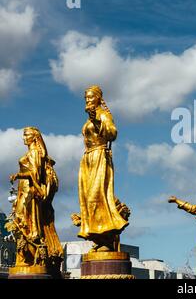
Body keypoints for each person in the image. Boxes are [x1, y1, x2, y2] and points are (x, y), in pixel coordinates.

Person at [76, 85, 129, 252]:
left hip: (100, 156)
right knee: (87, 200)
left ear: (99, 98)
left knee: (96, 197)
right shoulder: (89, 119)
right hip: (87, 160)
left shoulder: (103, 115)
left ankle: (106, 233)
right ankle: (98, 237)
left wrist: (96, 121)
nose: (88, 100)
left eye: (91, 97)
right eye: (86, 98)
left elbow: (112, 134)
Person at [8, 127, 63, 275]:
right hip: (24, 190)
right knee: (22, 220)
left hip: (29, 192)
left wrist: (18, 175)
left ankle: (32, 254)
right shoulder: (33, 152)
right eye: (23, 135)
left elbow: (35, 174)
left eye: (26, 135)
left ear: (34, 137)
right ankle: (26, 255)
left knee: (24, 220)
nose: (23, 138)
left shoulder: (34, 153)